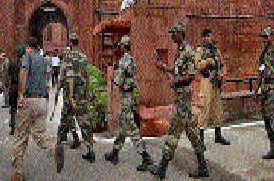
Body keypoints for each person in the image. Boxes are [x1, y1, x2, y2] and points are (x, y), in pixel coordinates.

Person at [149, 22, 209, 179]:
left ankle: (162, 169)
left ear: (181, 34)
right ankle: (203, 166)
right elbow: (178, 71)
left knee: (173, 132)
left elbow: (190, 76)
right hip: (181, 95)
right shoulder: (180, 51)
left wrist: (174, 82)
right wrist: (165, 69)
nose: (172, 36)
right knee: (192, 132)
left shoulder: (188, 52)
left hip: (182, 97)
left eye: (174, 33)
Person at [104, 35, 153, 172]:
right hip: (130, 96)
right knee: (122, 126)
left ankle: (145, 157)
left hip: (126, 97)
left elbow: (118, 81)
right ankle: (114, 152)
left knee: (131, 127)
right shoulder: (131, 60)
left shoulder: (124, 61)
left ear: (123, 46)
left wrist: (112, 76)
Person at [11, 37, 57, 181]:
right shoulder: (44, 60)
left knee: (21, 137)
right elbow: (48, 78)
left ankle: (17, 174)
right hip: (42, 101)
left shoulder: (27, 57)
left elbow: (23, 74)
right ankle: (54, 147)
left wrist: (20, 94)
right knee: (39, 133)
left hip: (29, 99)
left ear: (29, 47)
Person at [55, 33, 95, 173]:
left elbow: (66, 76)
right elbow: (86, 75)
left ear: (70, 43)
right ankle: (90, 151)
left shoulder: (67, 57)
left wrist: (60, 89)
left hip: (70, 95)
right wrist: (88, 91)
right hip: (82, 94)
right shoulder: (83, 57)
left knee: (64, 119)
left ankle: (57, 146)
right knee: (84, 122)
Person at [195, 28, 230, 146]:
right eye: (208, 36)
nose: (210, 38)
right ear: (203, 38)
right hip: (206, 81)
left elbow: (222, 64)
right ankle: (201, 139)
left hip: (216, 82)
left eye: (211, 36)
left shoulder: (216, 50)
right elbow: (197, 65)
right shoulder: (200, 50)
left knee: (218, 108)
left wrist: (222, 74)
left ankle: (218, 135)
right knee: (205, 108)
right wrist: (207, 62)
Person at [256, 27, 274, 159]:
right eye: (263, 37)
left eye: (266, 36)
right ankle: (273, 149)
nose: (264, 39)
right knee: (267, 119)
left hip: (273, 86)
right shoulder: (263, 53)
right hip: (265, 87)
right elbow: (261, 70)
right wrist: (257, 87)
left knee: (273, 118)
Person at [7, 44, 26, 135]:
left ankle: (12, 126)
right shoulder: (24, 63)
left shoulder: (12, 62)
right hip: (21, 87)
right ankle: (21, 127)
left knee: (13, 108)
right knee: (22, 108)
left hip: (13, 87)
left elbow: (9, 76)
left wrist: (8, 87)